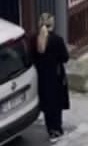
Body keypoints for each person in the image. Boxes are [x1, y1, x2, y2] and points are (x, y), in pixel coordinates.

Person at [32, 13, 70, 142]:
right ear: (52, 25)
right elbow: (65, 58)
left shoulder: (35, 39)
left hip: (41, 77)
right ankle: (57, 130)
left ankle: (50, 130)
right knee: (56, 105)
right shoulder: (57, 40)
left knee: (47, 104)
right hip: (56, 76)